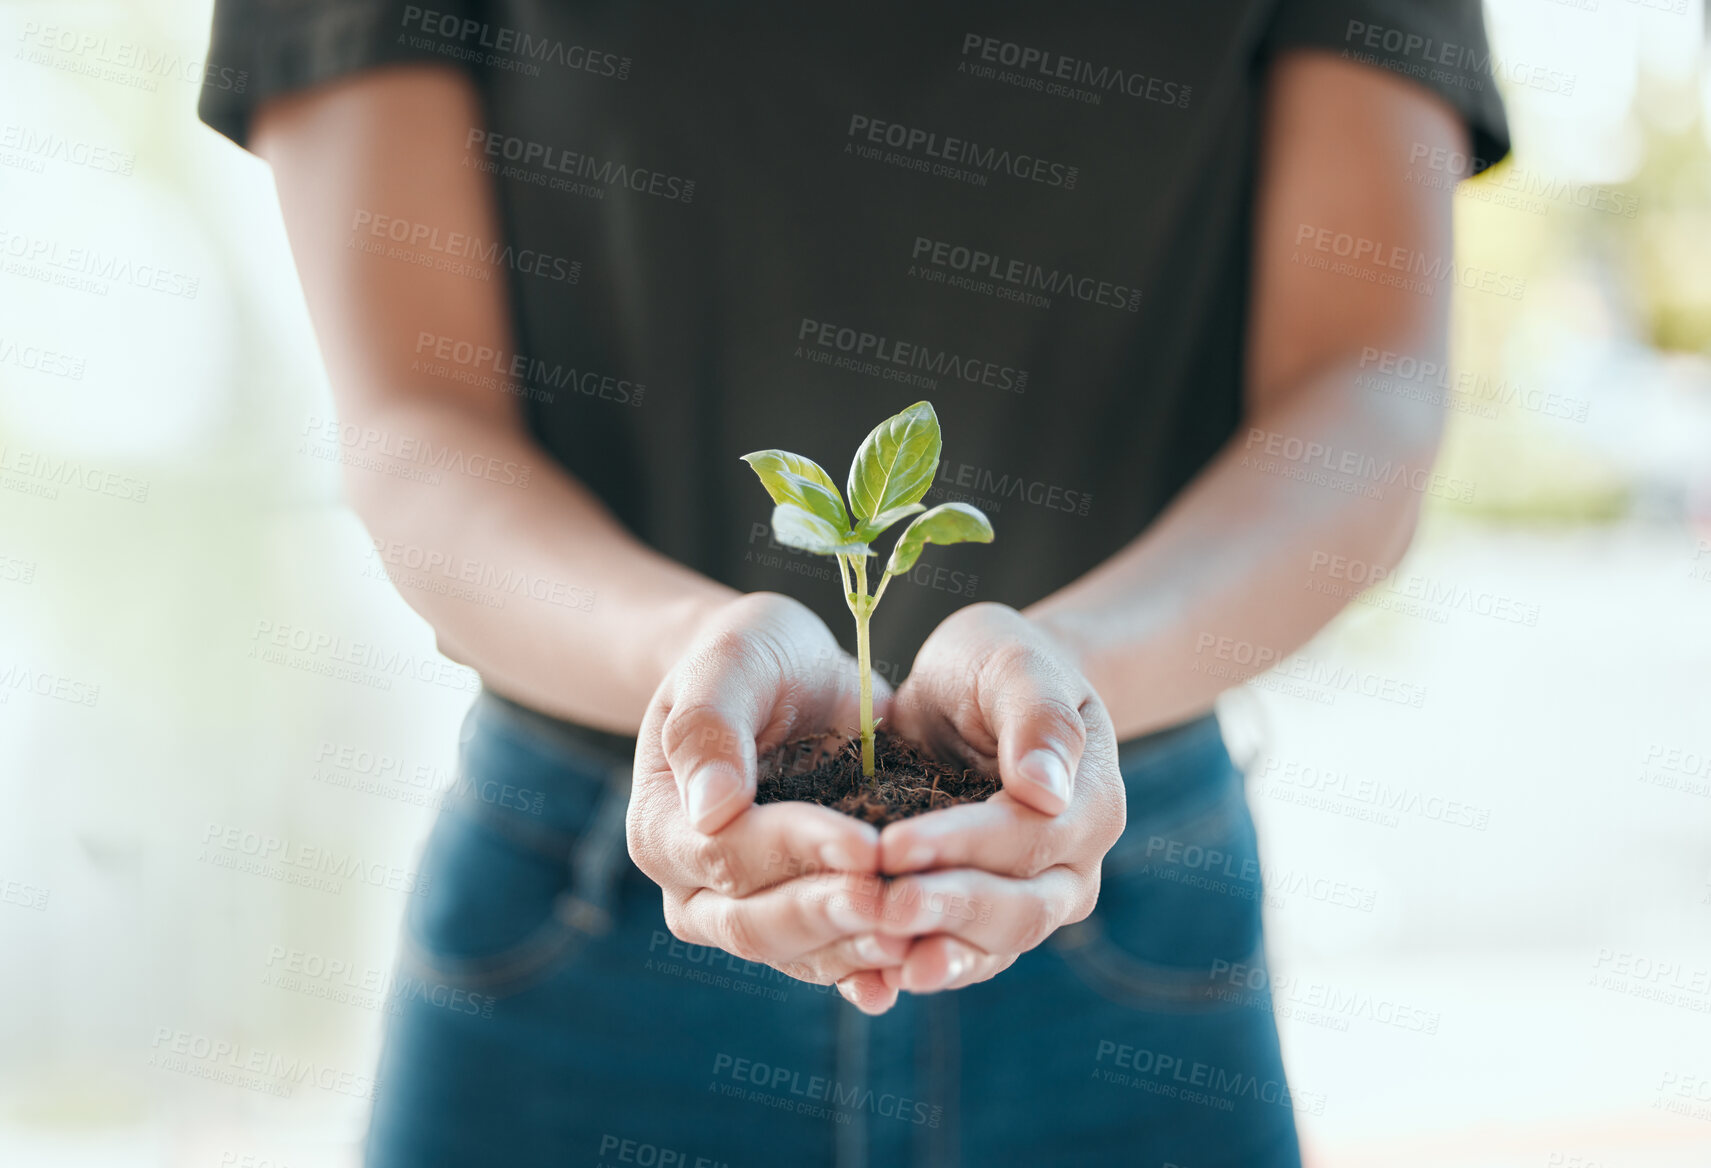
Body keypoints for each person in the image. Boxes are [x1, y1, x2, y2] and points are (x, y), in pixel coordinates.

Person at [201, 2, 1507, 1164]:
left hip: (1114, 875)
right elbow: (416, 428)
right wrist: (693, 660)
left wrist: (1074, 676)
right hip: (585, 907)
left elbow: (1366, 395)